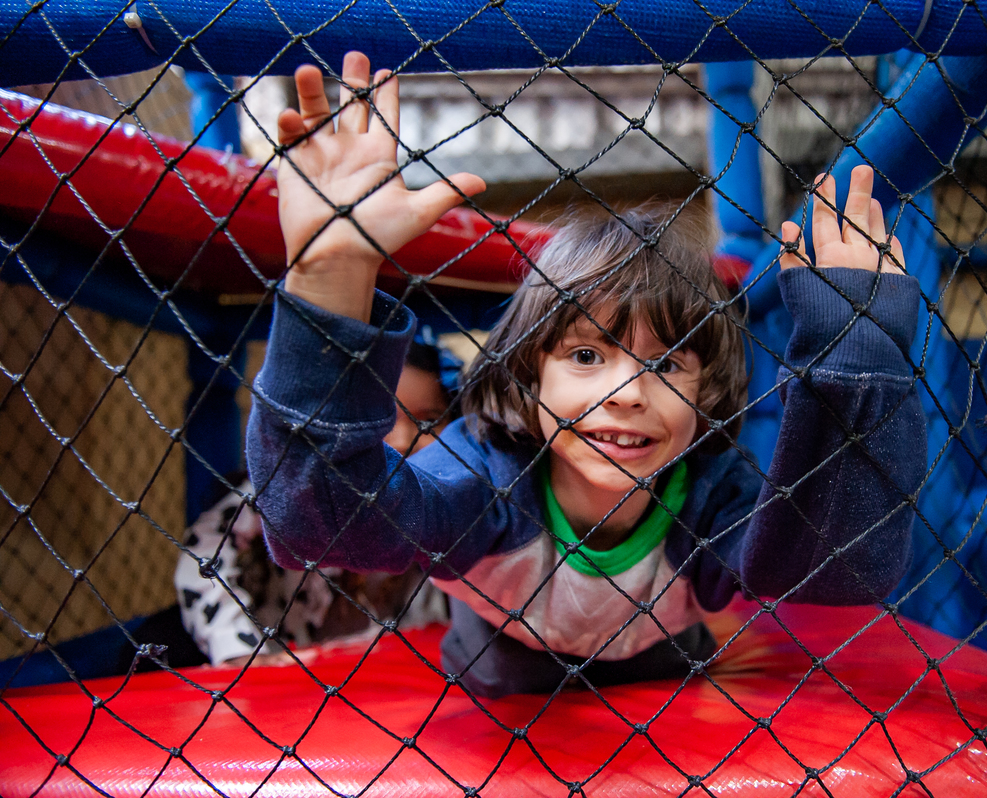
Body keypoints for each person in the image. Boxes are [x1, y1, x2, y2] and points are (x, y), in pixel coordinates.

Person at [248, 52, 925, 697]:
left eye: (665, 363)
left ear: (707, 392)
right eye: (586, 356)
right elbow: (315, 523)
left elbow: (845, 564)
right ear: (528, 376)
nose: (627, 393)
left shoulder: (710, 502)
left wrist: (857, 355)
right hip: (502, 679)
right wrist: (330, 272)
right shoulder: (480, 484)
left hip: (661, 674)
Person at [176, 338, 457, 666]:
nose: (404, 440)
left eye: (428, 421)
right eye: (381, 420)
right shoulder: (294, 482)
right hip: (278, 663)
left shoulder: (444, 496)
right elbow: (203, 551)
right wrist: (238, 649)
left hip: (381, 670)